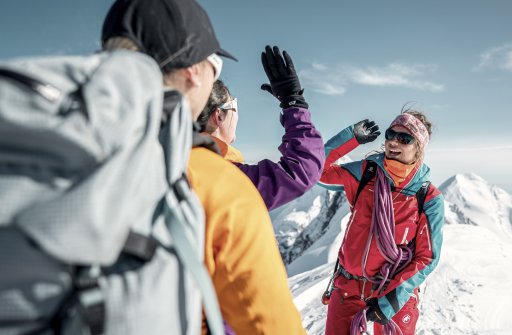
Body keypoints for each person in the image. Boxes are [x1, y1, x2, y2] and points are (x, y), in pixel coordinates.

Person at [102, 0, 306, 334]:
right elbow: (270, 325)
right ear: (193, 73)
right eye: (215, 66)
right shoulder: (218, 183)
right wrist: (294, 103)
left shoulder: (67, 153)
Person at [319, 110, 445, 335]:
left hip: (394, 292)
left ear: (418, 147)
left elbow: (427, 258)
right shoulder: (366, 173)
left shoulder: (427, 197)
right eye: (390, 134)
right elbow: (317, 171)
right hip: (348, 287)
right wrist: (350, 137)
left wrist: (390, 302)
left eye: (404, 138)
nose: (394, 141)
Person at [197, 46, 325, 210]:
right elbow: (302, 169)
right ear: (219, 116)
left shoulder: (180, 162)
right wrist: (293, 102)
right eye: (234, 105)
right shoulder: (221, 176)